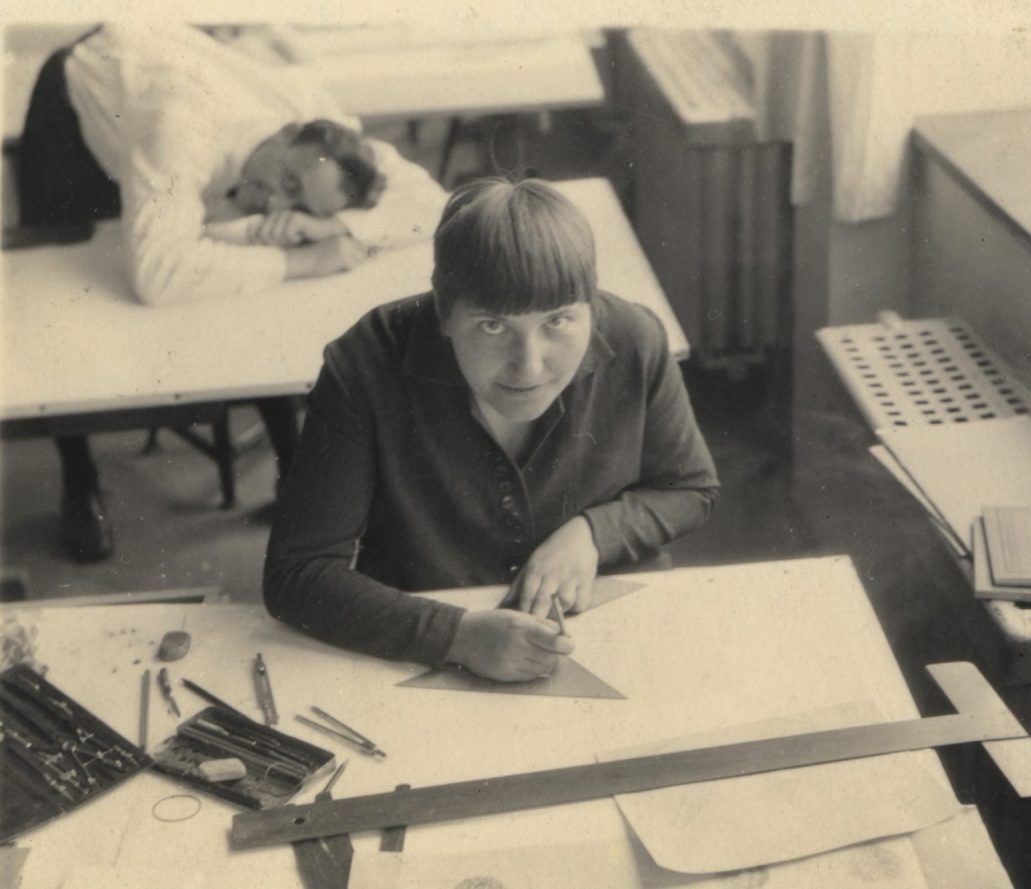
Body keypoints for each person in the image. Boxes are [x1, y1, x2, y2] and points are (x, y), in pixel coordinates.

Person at [15, 23, 448, 561]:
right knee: (64, 289)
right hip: (80, 98)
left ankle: (293, 469)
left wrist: (335, 226)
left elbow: (431, 201)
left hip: (165, 72)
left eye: (299, 202)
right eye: (288, 183)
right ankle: (79, 481)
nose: (277, 203)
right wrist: (300, 260)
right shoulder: (180, 131)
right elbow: (158, 274)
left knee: (247, 280)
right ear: (284, 136)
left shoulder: (316, 121)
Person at [264, 177, 719, 681]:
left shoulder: (637, 337)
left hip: (609, 625)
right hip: (420, 651)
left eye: (558, 322)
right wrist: (454, 636)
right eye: (493, 326)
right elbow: (298, 574)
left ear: (590, 303)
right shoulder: (365, 361)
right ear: (444, 311)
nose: (529, 366)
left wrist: (592, 534)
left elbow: (689, 488)